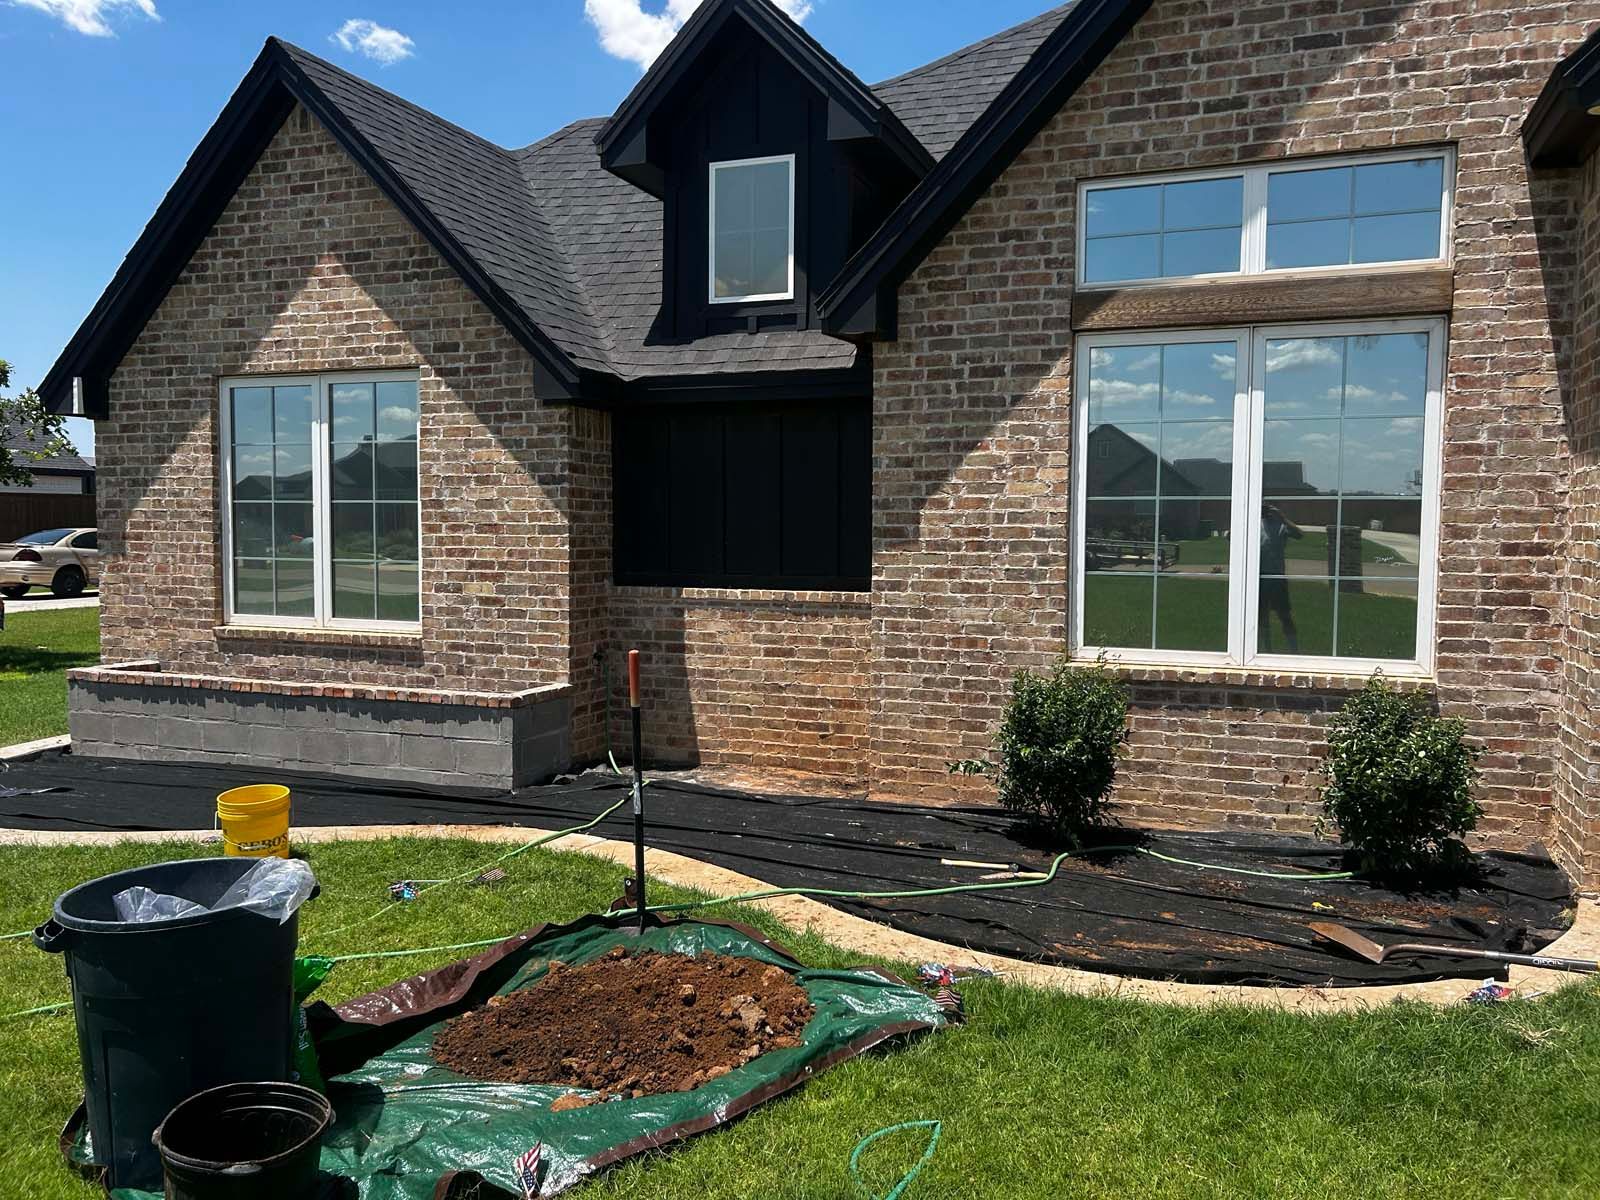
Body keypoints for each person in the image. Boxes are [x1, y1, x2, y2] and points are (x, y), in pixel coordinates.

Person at [1259, 503, 1303, 653]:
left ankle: (1294, 651)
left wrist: (1282, 517)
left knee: (1284, 616)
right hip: (1259, 577)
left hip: (1277, 577)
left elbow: (1299, 535)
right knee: (1261, 617)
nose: (1265, 511)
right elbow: (1230, 536)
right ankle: (1265, 651)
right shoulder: (1253, 524)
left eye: (1267, 508)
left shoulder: (1280, 525)